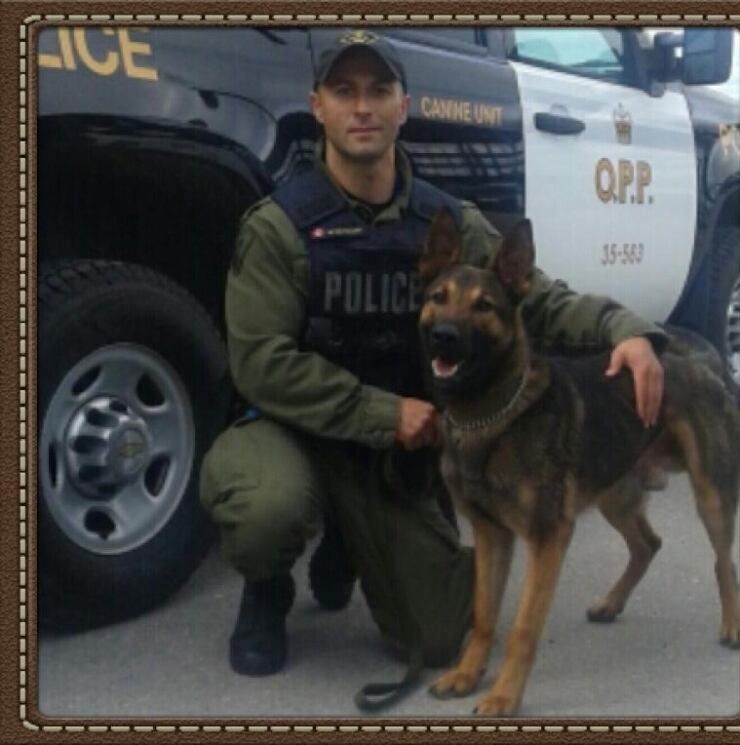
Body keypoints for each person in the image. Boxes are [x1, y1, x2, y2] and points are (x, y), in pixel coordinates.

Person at [200, 29, 666, 691]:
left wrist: (626, 329)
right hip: (296, 426)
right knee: (267, 507)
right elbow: (261, 363)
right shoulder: (279, 227)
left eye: (379, 91)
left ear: (403, 107)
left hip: (395, 445)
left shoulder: (446, 220)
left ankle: (352, 540)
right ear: (318, 106)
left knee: (441, 636)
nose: (363, 107)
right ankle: (266, 587)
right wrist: (383, 411)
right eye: (344, 91)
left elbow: (535, 300)